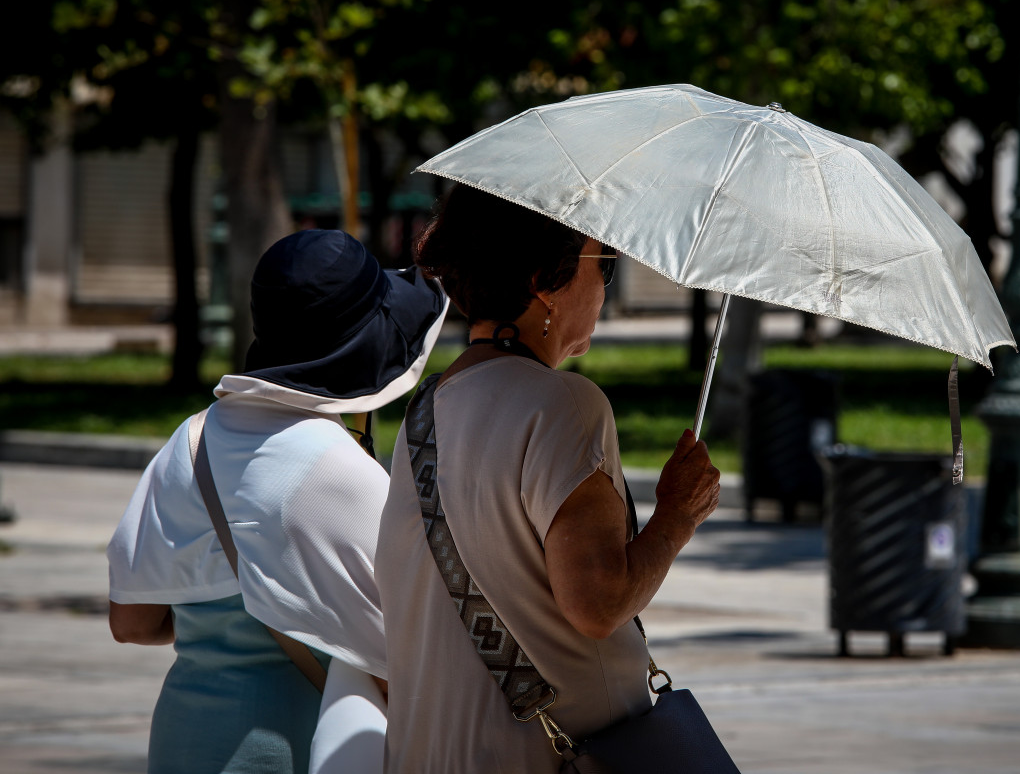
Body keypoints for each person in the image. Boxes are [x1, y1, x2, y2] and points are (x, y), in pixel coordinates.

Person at [376, 184, 722, 772]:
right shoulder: (564, 404)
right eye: (602, 265)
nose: (604, 287)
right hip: (551, 755)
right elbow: (598, 603)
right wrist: (676, 517)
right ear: (545, 280)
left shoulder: (428, 407)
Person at [106, 228, 448, 774]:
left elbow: (133, 621)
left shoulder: (190, 441)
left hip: (181, 745)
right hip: (287, 753)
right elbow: (407, 666)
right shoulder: (341, 472)